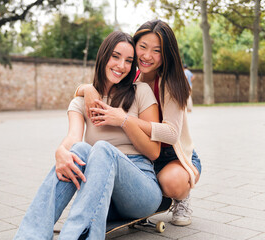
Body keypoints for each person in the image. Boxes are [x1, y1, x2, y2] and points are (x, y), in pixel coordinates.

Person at [13, 31, 163, 240]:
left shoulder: (141, 92)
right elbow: (73, 137)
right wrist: (60, 151)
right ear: (103, 57)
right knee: (79, 150)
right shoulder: (82, 101)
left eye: (129, 61)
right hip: (102, 193)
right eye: (115, 56)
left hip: (141, 191)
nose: (121, 65)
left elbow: (154, 151)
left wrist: (123, 120)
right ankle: (30, 236)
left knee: (101, 149)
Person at [76, 20, 202, 226]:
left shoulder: (172, 83)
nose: (146, 55)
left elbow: (171, 134)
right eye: (142, 47)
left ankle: (181, 197)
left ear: (167, 54)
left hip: (172, 154)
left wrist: (125, 120)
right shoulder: (129, 73)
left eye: (156, 51)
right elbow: (101, 85)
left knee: (171, 183)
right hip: (141, 153)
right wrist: (86, 89)